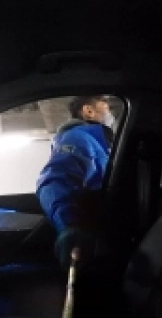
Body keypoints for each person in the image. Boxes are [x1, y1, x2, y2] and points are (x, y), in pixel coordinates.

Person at [35, 95, 116, 267]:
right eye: (107, 108)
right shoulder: (78, 137)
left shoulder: (98, 143)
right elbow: (56, 180)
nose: (111, 115)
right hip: (91, 236)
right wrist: (69, 224)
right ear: (89, 111)